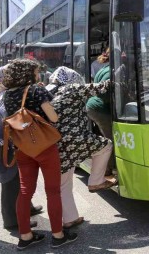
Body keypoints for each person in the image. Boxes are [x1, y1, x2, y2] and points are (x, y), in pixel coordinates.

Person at [2, 59, 77, 250]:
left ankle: (25, 236)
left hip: (22, 147)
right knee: (53, 191)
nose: (37, 75)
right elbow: (53, 117)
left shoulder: (8, 94)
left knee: (25, 191)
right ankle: (58, 235)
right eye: (35, 72)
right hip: (44, 146)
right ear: (28, 74)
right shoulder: (37, 90)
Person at [46, 67, 113, 229]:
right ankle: (96, 180)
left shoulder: (50, 92)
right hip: (75, 138)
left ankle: (70, 219)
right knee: (106, 145)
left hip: (56, 143)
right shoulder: (72, 88)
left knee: (64, 185)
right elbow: (102, 86)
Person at [0, 65, 43, 231]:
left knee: (18, 182)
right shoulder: (6, 97)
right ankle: (12, 221)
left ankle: (27, 209)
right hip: (9, 148)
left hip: (4, 145)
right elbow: (12, 121)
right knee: (11, 184)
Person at [86, 49, 117, 183]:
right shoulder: (113, 71)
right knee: (110, 141)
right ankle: (106, 172)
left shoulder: (105, 68)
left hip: (93, 107)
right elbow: (104, 93)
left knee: (105, 137)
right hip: (100, 108)